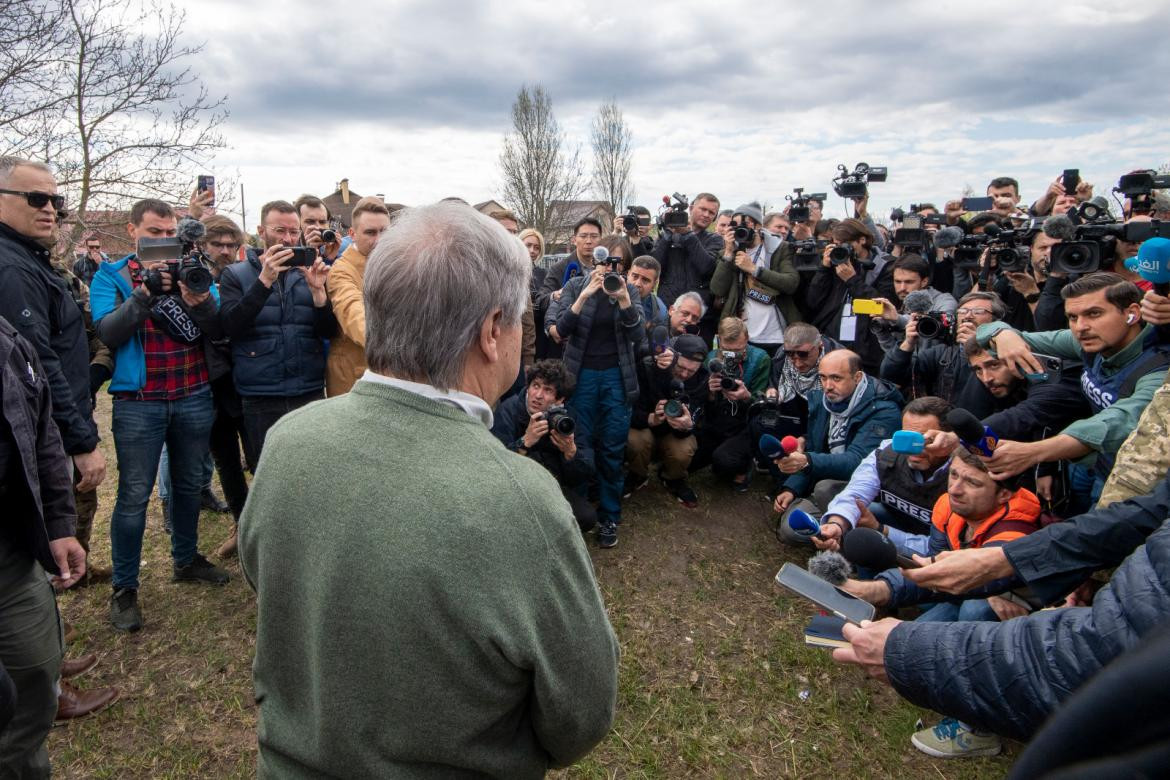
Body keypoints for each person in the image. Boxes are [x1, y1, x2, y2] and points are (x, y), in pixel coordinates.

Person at [238, 201, 618, 777]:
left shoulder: (289, 440)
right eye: (518, 322)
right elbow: (581, 715)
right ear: (493, 331)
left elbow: (263, 574)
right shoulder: (521, 497)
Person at [92, 198, 230, 632]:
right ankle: (125, 587)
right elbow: (109, 332)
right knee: (134, 495)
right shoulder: (109, 276)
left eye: (167, 233)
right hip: (140, 402)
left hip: (192, 393)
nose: (161, 241)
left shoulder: (193, 269)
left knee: (190, 484)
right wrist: (145, 292)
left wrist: (200, 298)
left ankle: (186, 560)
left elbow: (218, 326)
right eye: (152, 233)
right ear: (133, 231)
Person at [0, 315, 109, 776]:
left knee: (34, 676)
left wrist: (59, 524)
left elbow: (40, 430)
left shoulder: (8, 338)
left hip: (13, 552)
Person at [974, 272, 1170, 511]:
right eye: (1072, 317)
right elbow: (986, 334)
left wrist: (1034, 452)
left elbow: (1118, 422)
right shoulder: (1088, 342)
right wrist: (1002, 334)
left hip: (1127, 476)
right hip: (1084, 462)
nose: (1081, 327)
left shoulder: (1158, 368)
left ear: (1132, 313)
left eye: (1094, 314)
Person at [218, 200, 337, 464]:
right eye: (280, 231)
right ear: (261, 231)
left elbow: (328, 332)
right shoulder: (235, 275)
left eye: (294, 232)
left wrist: (319, 294)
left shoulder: (307, 271)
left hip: (308, 389)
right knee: (267, 470)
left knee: (311, 468)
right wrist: (264, 282)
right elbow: (230, 327)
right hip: (261, 392)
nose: (288, 239)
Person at [545, 236, 644, 547]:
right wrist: (586, 294)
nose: (610, 269)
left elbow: (638, 336)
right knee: (580, 441)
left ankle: (610, 516)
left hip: (616, 376)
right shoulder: (576, 285)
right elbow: (560, 330)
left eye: (618, 265)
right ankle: (583, 508)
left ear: (625, 267)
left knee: (612, 447)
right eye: (605, 262)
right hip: (581, 375)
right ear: (595, 260)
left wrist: (625, 300)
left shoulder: (630, 290)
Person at [771, 350, 903, 523]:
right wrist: (792, 488)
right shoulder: (825, 400)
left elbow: (857, 462)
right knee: (790, 529)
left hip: (868, 490)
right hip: (830, 478)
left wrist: (806, 461)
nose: (827, 385)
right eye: (823, 377)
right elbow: (815, 449)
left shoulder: (884, 411)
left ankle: (850, 534)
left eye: (836, 378)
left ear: (857, 377)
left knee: (824, 489)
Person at [810, 397, 954, 556]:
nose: (914, 449)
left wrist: (882, 530)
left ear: (947, 440)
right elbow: (856, 492)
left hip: (938, 548)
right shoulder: (886, 452)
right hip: (896, 521)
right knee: (857, 513)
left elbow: (947, 550)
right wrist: (837, 524)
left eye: (925, 440)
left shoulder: (962, 474)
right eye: (907, 439)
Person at [491, 359, 596, 532]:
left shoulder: (568, 418)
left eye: (548, 390)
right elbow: (494, 467)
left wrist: (571, 453)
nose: (538, 395)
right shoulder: (509, 410)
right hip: (518, 489)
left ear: (559, 399)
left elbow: (586, 472)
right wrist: (524, 442)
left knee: (586, 517)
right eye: (535, 385)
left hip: (552, 486)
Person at [879, 290, 1004, 419]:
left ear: (996, 320)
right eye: (962, 311)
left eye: (978, 311)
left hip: (985, 428)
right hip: (942, 428)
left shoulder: (1006, 354)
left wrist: (976, 348)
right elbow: (891, 377)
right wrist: (908, 343)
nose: (968, 316)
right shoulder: (941, 354)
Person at [626, 333, 709, 508]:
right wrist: (650, 418)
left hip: (673, 434)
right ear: (671, 357)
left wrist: (687, 425)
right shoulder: (647, 367)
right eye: (680, 367)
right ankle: (637, 474)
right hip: (644, 426)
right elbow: (627, 411)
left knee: (684, 449)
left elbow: (696, 419)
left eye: (691, 371)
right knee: (635, 441)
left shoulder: (702, 380)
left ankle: (673, 478)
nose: (685, 374)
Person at [708, 202, 801, 357]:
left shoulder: (779, 248)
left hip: (777, 335)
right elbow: (717, 289)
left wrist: (754, 269)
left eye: (747, 223)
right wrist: (729, 253)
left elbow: (791, 283)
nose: (741, 228)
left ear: (759, 225)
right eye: (735, 225)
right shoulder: (729, 252)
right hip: (743, 337)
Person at [803, 218, 895, 373]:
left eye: (846, 244)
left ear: (862, 240)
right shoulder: (835, 263)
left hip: (867, 346)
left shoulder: (885, 266)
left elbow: (882, 306)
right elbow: (813, 302)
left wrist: (852, 280)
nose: (842, 249)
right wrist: (824, 269)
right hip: (834, 340)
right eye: (837, 244)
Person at [693, 317, 771, 492]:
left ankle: (744, 466)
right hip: (716, 422)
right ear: (719, 340)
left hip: (743, 425)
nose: (733, 356)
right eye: (727, 351)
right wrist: (710, 392)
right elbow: (702, 403)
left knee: (724, 462)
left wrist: (746, 396)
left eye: (739, 351)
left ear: (747, 339)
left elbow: (762, 405)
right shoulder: (711, 359)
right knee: (688, 460)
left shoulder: (760, 359)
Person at [326, 196, 392, 396]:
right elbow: (352, 311)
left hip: (390, 378)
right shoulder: (341, 271)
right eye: (370, 233)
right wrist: (399, 346)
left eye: (384, 232)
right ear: (352, 234)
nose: (379, 240)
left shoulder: (395, 266)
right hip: (354, 381)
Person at [650, 192, 723, 341]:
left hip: (699, 318)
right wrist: (667, 234)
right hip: (668, 312)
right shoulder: (668, 236)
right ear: (690, 208)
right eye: (703, 209)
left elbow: (707, 268)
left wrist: (688, 235)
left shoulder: (715, 240)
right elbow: (654, 266)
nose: (706, 215)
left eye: (711, 213)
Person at [293, 194, 348, 264]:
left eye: (322, 222)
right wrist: (309, 254)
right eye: (310, 221)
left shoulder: (342, 250)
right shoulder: (290, 252)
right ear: (297, 224)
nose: (318, 227)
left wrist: (329, 258)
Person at [626, 255, 668, 337]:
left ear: (654, 285)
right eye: (635, 276)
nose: (637, 284)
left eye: (645, 280)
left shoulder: (660, 311)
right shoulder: (610, 294)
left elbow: (657, 345)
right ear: (628, 274)